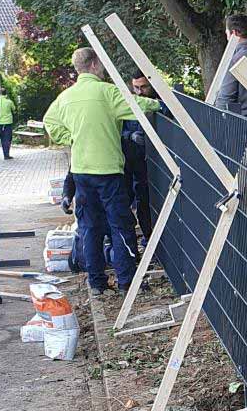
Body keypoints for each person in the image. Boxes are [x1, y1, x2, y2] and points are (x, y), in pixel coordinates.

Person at [43, 47, 141, 295]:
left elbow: (49, 122)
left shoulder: (65, 97)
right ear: (96, 64)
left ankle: (96, 283)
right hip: (109, 171)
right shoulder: (107, 92)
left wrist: (71, 138)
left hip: (81, 172)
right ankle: (126, 281)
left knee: (89, 228)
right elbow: (136, 104)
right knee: (120, 226)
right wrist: (161, 105)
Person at [121, 72, 161, 248]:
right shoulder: (127, 104)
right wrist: (130, 135)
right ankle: (147, 236)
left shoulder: (159, 102)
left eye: (143, 87)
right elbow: (118, 129)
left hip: (158, 162)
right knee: (141, 200)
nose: (139, 91)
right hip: (134, 161)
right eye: (136, 87)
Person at [0, 87, 16, 160]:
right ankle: (6, 155)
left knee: (2, 139)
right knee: (7, 139)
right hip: (7, 123)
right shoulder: (9, 102)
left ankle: (5, 153)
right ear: (6, 94)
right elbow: (14, 109)